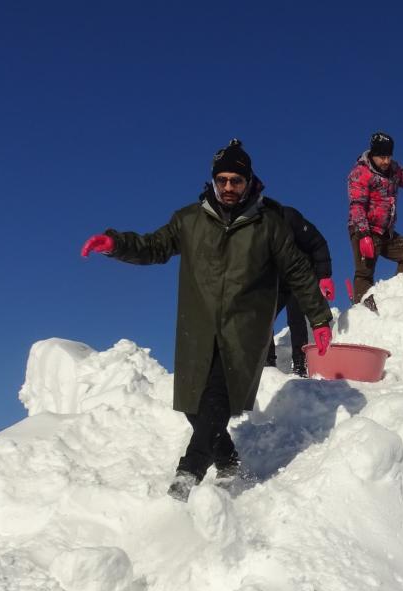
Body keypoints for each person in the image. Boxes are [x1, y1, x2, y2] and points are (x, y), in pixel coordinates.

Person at [80, 139, 333, 501]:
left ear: (249, 182)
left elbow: (296, 270)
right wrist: (115, 244)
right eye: (222, 180)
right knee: (193, 405)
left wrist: (319, 318)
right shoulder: (188, 220)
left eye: (236, 181)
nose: (229, 187)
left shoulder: (269, 225)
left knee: (216, 398)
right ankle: (227, 460)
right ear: (213, 181)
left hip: (243, 330)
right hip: (197, 328)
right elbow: (154, 246)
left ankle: (187, 475)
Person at [347, 131, 403, 310]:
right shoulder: (360, 173)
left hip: (385, 231)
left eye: (389, 156)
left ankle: (398, 297)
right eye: (382, 157)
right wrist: (364, 235)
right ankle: (363, 313)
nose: (386, 161)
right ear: (373, 154)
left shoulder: (394, 170)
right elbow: (357, 205)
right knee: (365, 272)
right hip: (364, 229)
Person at [262, 198, 335, 377]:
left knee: (296, 317)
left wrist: (324, 276)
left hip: (300, 275)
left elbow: (317, 243)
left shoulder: (290, 218)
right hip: (277, 280)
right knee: (263, 315)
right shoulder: (254, 229)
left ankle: (300, 363)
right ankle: (267, 362)